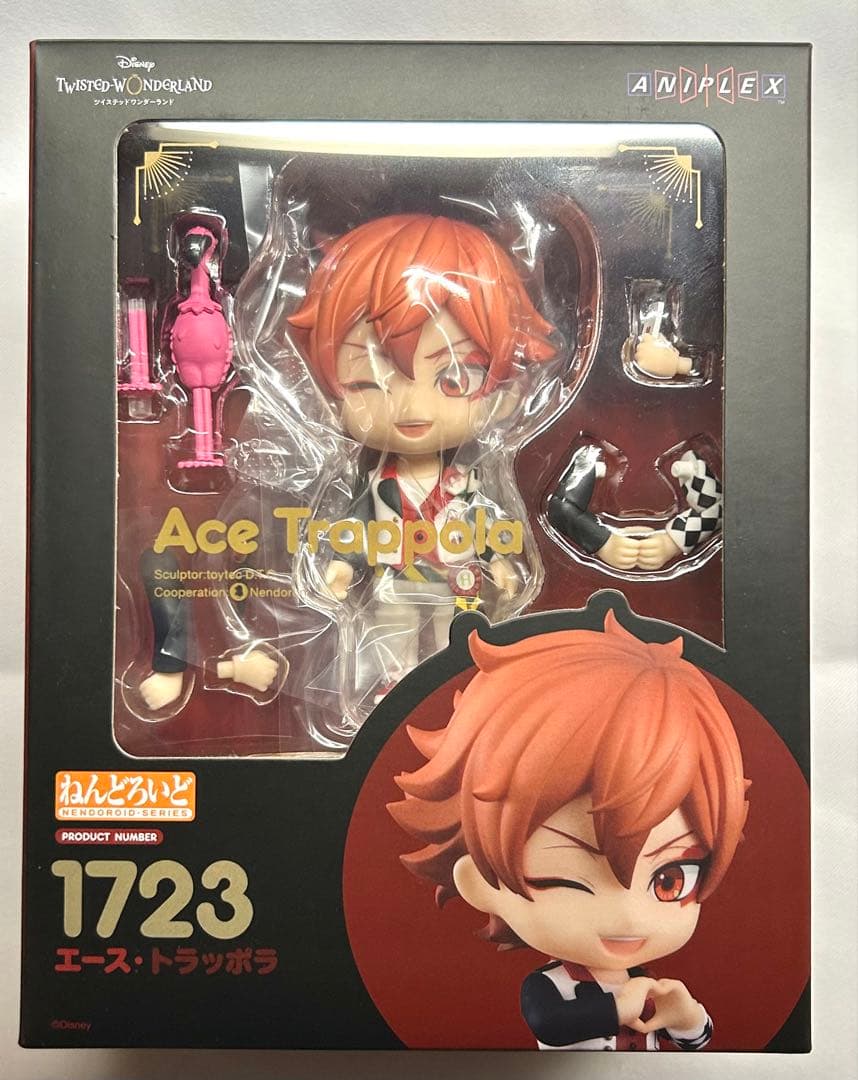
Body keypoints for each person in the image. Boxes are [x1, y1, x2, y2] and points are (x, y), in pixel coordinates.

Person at [388, 611, 750, 1050]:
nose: (629, 915)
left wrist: (688, 1017)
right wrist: (616, 1011)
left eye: (670, 881)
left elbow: (698, 1047)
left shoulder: (644, 982)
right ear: (481, 884)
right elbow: (550, 1024)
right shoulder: (550, 986)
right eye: (569, 881)